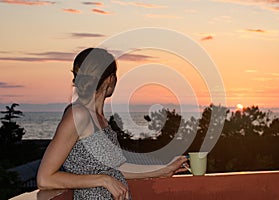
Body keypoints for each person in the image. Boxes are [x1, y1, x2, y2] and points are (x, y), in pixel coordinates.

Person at [37, 48, 188, 200]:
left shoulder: (100, 119)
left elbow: (116, 169)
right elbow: (45, 178)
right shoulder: (78, 115)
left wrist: (164, 169)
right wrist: (103, 180)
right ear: (110, 79)